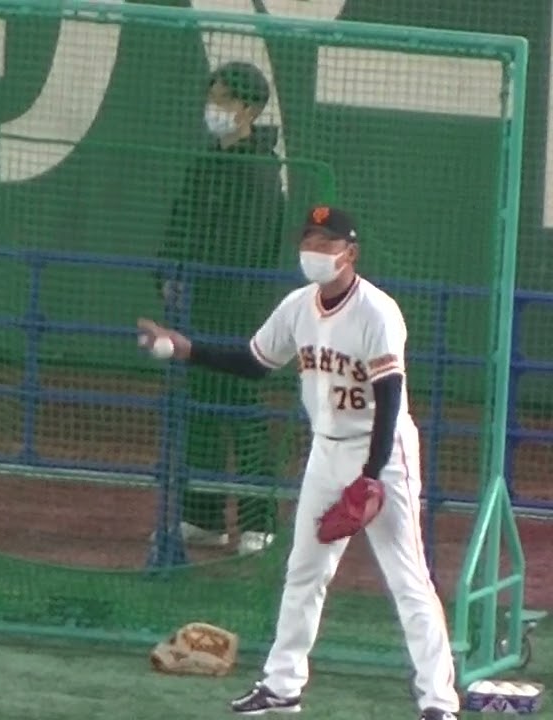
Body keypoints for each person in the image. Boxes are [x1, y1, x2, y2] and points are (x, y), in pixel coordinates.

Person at [138, 206, 458, 720]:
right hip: (326, 451)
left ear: (350, 253)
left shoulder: (377, 311)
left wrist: (371, 477)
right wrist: (185, 349)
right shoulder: (297, 307)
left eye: (326, 242)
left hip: (383, 452)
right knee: (304, 571)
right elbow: (254, 363)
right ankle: (282, 685)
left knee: (407, 578)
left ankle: (439, 702)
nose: (315, 250)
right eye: (309, 239)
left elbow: (390, 397)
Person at [157, 61, 286, 556]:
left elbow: (243, 247)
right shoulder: (205, 163)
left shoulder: (259, 172)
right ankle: (203, 517)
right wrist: (168, 275)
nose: (214, 109)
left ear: (248, 109)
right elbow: (178, 226)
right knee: (200, 413)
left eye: (224, 100)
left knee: (242, 412)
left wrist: (200, 279)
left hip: (239, 314)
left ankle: (259, 524)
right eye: (211, 98)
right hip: (196, 311)